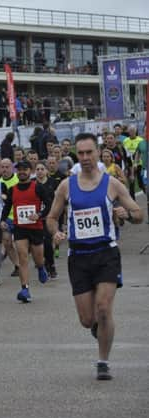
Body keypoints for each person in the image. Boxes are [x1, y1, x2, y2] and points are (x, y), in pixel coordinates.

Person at [47, 133, 144, 380]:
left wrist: (126, 214)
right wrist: (56, 232)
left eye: (90, 152)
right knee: (87, 318)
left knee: (103, 309)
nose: (86, 157)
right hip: (78, 257)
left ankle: (103, 361)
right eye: (81, 153)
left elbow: (138, 213)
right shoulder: (66, 185)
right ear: (76, 156)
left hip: (105, 253)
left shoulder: (111, 183)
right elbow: (50, 217)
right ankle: (99, 329)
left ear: (97, 153)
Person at [0, 160, 51, 303]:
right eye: (19, 169)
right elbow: (7, 206)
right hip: (20, 228)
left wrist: (39, 215)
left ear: (30, 171)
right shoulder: (13, 189)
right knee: (22, 257)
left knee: (38, 258)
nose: (22, 172)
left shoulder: (38, 188)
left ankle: (41, 267)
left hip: (36, 228)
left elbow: (49, 204)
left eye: (25, 169)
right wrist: (2, 220)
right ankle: (25, 289)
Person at [34, 161, 58, 279]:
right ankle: (42, 263)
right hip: (35, 217)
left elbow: (57, 199)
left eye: (42, 169)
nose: (39, 172)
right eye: (37, 169)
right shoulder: (32, 184)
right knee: (39, 244)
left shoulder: (52, 183)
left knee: (48, 242)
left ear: (47, 171)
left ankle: (51, 264)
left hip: (49, 216)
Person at [0, 158, 20, 277]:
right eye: (3, 167)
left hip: (19, 216)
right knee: (7, 241)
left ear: (12, 168)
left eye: (7, 167)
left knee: (22, 244)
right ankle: (17, 265)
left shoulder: (18, 180)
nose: (5, 169)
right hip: (6, 217)